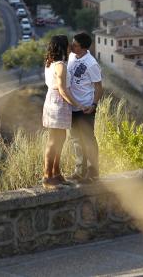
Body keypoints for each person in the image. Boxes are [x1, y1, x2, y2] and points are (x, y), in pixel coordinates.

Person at [42, 35, 85, 188]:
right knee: (54, 141)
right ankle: (47, 177)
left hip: (53, 101)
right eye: (67, 45)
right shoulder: (60, 65)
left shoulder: (50, 63)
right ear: (62, 47)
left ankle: (56, 173)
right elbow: (62, 89)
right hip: (58, 103)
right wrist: (78, 104)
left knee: (59, 140)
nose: (69, 48)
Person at [68, 31, 103, 183]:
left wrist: (94, 105)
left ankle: (93, 172)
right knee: (76, 139)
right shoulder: (71, 57)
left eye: (74, 45)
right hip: (72, 107)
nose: (72, 46)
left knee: (88, 139)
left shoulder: (91, 63)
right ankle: (79, 171)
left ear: (82, 48)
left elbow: (99, 87)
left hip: (86, 108)